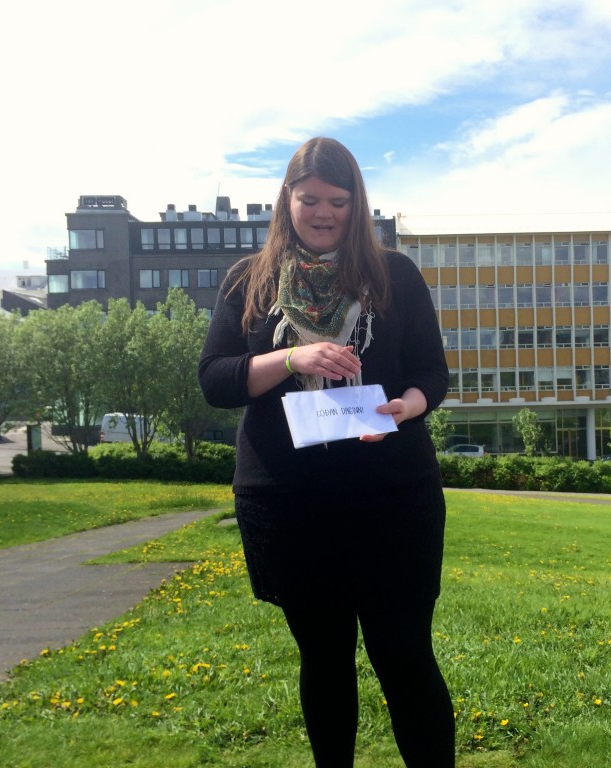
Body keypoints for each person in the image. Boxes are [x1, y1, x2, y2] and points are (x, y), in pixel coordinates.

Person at [198, 137, 454, 767]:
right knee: (325, 657)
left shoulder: (394, 275)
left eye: (337, 201)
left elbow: (432, 375)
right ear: (286, 198)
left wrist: (406, 407)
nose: (322, 212)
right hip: (290, 505)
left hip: (392, 498)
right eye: (308, 198)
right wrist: (293, 357)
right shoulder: (247, 281)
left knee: (405, 655)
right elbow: (216, 380)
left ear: (355, 204)